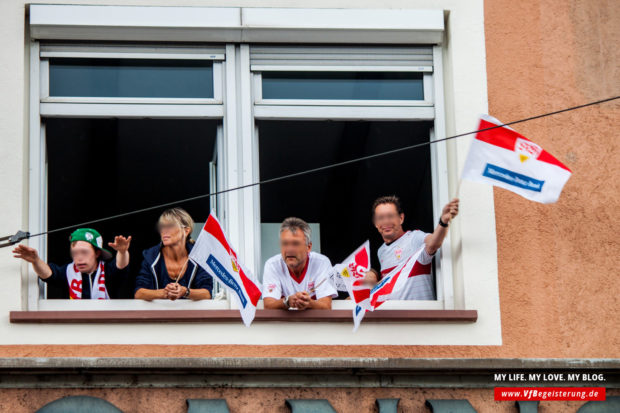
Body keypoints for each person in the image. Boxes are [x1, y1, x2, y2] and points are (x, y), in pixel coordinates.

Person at [372, 195, 459, 300]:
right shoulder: (381, 251)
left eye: (390, 216)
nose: (386, 221)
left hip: (420, 314)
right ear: (376, 223)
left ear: (401, 218)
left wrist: (443, 221)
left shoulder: (414, 237)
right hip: (395, 314)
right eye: (380, 218)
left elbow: (433, 243)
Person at [12, 228, 131, 299]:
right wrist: (35, 261)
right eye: (75, 253)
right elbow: (48, 274)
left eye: (84, 252)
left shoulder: (107, 271)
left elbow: (120, 266)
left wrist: (122, 251)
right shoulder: (68, 271)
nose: (78, 258)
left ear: (97, 253)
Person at [134, 208, 213, 301]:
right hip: (158, 314)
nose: (164, 230)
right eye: (162, 226)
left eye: (170, 226)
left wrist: (185, 292)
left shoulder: (199, 255)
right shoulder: (151, 256)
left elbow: (207, 293)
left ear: (186, 231)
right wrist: (164, 293)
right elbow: (139, 293)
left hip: (191, 314)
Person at [263, 217, 337, 310]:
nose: (289, 249)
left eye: (295, 244)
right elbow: (268, 305)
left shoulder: (321, 263)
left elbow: (326, 306)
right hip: (283, 324)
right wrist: (287, 301)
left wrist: (309, 303)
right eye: (285, 243)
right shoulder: (272, 265)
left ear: (308, 247)